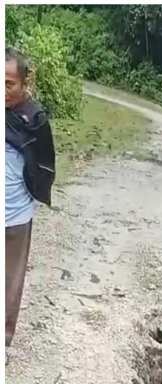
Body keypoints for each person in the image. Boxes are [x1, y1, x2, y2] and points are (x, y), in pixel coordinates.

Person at [6, 48, 55, 347]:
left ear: (24, 84)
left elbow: (45, 164)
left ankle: (4, 340)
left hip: (16, 217)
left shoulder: (33, 119)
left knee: (10, 282)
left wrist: (34, 193)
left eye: (8, 84)